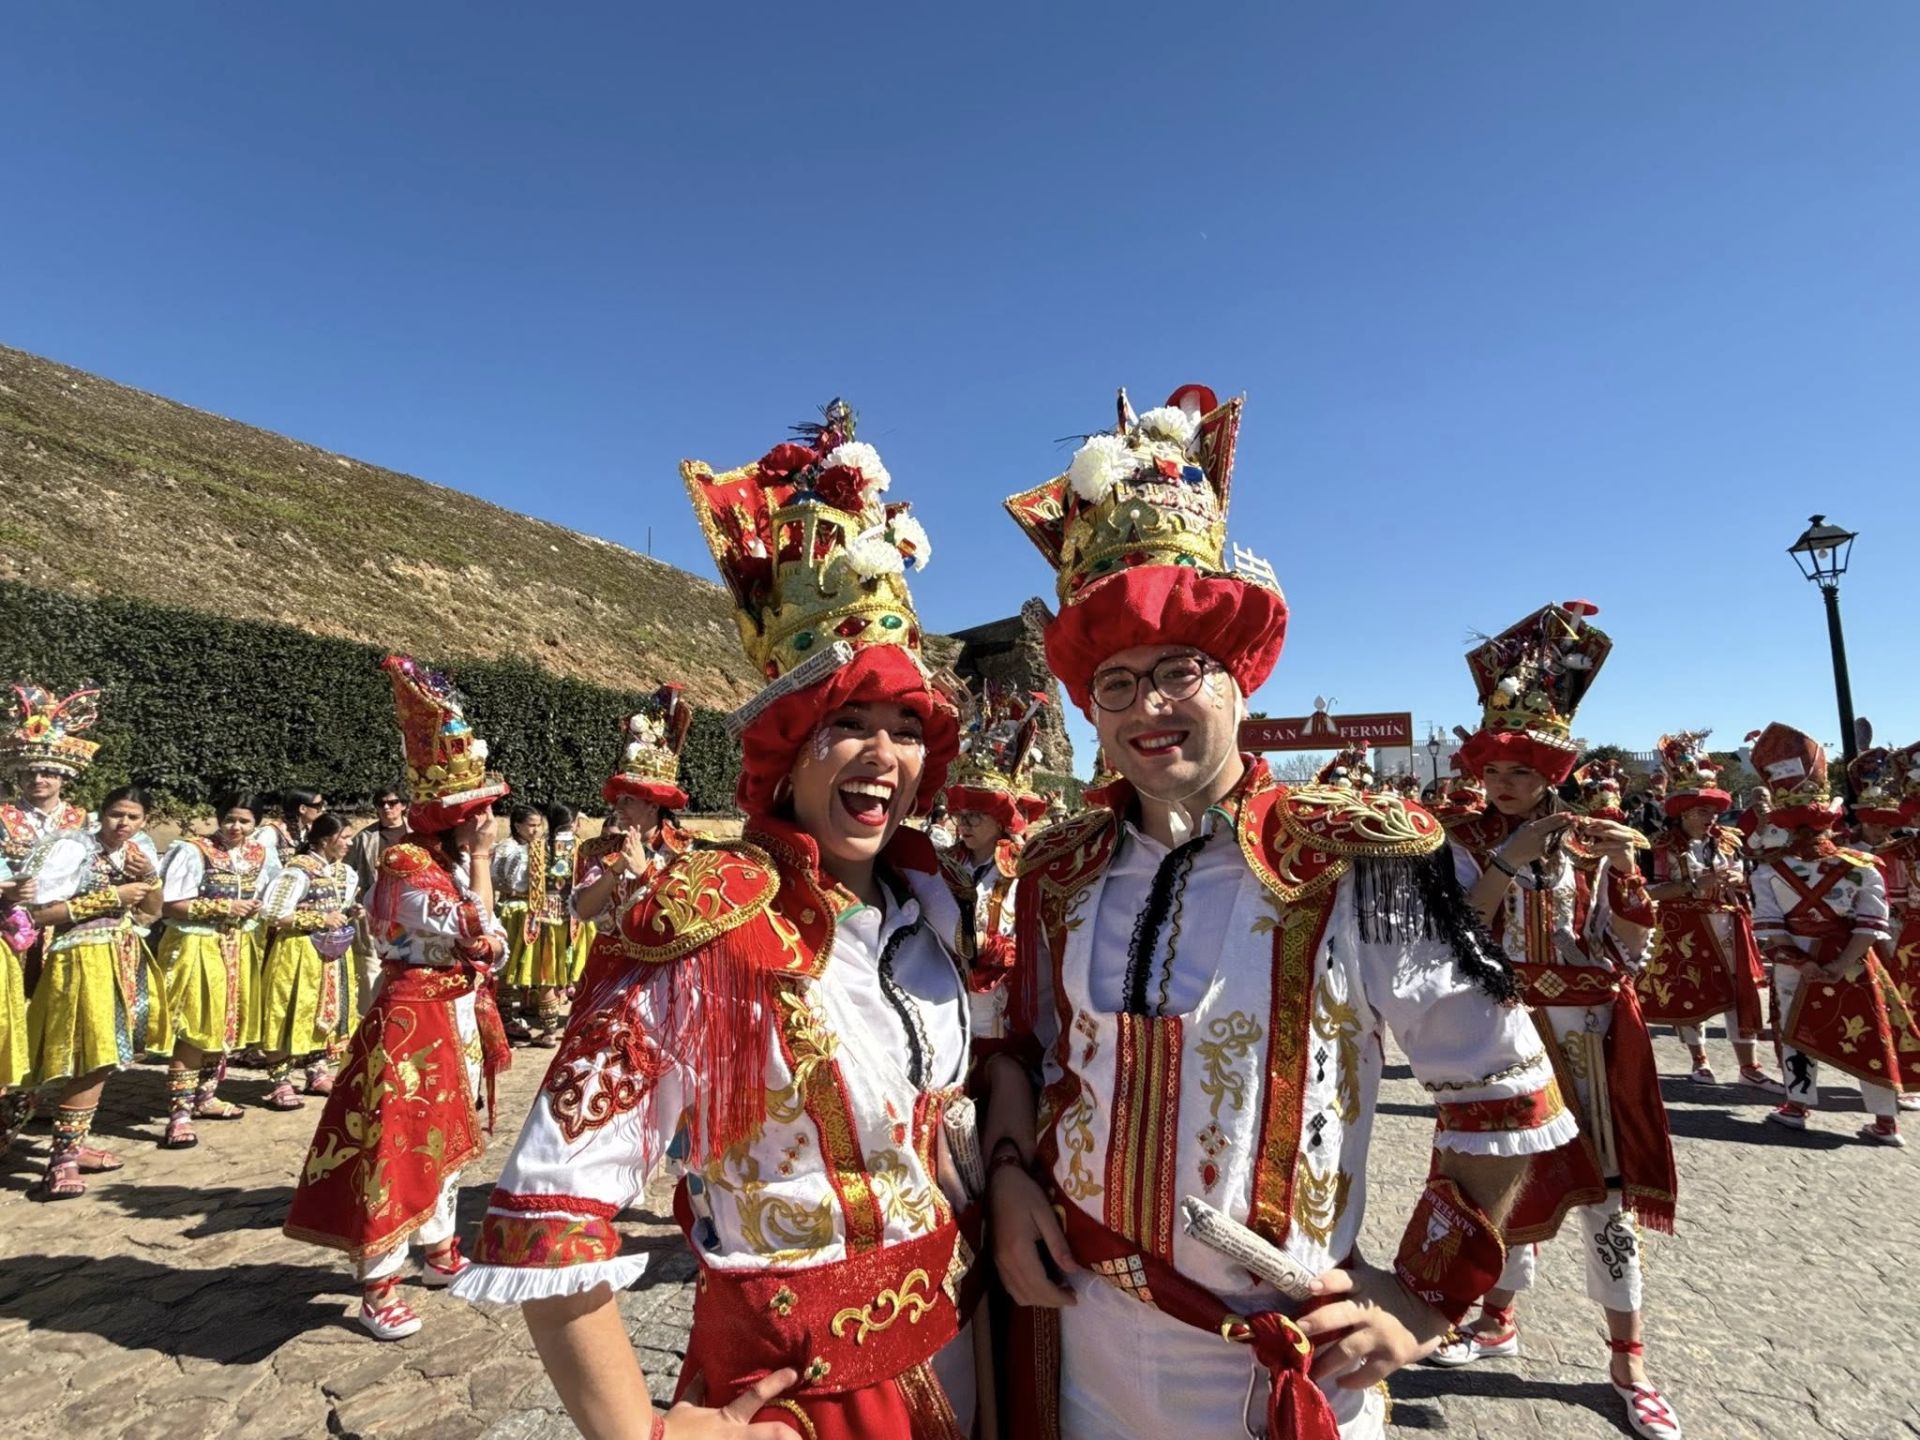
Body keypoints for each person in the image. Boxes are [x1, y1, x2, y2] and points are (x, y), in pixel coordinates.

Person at [994, 386, 1575, 1440]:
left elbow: (1505, 1086)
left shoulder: (1358, 858)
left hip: (1279, 1365)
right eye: (1116, 684)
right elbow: (1020, 1052)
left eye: (1180, 672)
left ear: (1240, 679)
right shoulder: (1059, 870)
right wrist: (1005, 1179)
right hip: (1081, 1345)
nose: (1149, 708)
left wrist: (1427, 1296)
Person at [455, 402, 981, 1438]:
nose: (884, 752)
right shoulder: (708, 928)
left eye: (905, 729)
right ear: (787, 756)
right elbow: (545, 1208)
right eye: (848, 725)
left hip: (967, 1357)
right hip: (794, 1398)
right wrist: (641, 1435)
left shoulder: (931, 912)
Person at [1433, 602, 1681, 1440]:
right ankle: (1499, 1320)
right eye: (1496, 769)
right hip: (1506, 1032)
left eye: (1523, 772)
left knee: (1605, 1200)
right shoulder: (1463, 838)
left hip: (1587, 1034)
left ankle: (1628, 1360)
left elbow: (1622, 948)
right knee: (1504, 1183)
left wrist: (1622, 872)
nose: (1505, 785)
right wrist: (1516, 848)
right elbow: (1463, 923)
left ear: (1552, 772)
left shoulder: (1587, 842)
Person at [284, 654, 513, 1339]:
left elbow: (492, 944)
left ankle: (440, 1249)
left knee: (449, 1135)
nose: (487, 824)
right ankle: (378, 1280)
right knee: (397, 1143)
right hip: (414, 1018)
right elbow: (478, 932)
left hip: (455, 1010)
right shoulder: (407, 861)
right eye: (479, 815)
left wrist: (480, 904)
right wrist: (478, 865)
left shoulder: (438, 861)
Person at [1745, 724, 1916, 1145]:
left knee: (1794, 1029)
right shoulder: (1862, 865)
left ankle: (1797, 1105)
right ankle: (1884, 1121)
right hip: (1852, 960)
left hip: (1794, 961)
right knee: (1869, 1033)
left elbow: (1769, 928)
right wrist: (1838, 965)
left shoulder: (1769, 871)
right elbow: (1870, 926)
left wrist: (1806, 963)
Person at [22, 785, 171, 1198]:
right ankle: (61, 1160)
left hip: (123, 956)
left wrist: (147, 878)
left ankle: (72, 1146)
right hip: (81, 957)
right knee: (88, 1052)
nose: (123, 824)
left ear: (144, 822)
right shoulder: (74, 848)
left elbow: (152, 910)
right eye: (116, 815)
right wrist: (110, 896)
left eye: (133, 818)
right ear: (100, 814)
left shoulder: (136, 852)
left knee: (107, 1056)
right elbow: (40, 912)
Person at [1635, 734, 1779, 1090]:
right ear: (1682, 812)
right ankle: (1699, 1061)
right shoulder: (1659, 847)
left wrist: (1739, 879)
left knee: (1739, 993)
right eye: (1702, 811)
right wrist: (1694, 885)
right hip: (1684, 927)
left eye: (1713, 810)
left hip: (1730, 922)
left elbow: (1751, 875)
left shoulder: (1729, 840)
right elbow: (1646, 892)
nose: (1710, 817)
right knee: (1690, 993)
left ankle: (1749, 1066)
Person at [0, 682, 100, 1148]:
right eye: (30, 772)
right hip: (9, 934)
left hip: (64, 933)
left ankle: (40, 1101)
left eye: (47, 772)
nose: (37, 780)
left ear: (63, 777)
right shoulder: (2, 818)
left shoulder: (84, 822)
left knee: (55, 1020)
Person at [158, 790, 273, 1147]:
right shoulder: (193, 850)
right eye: (231, 819)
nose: (236, 827)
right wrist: (223, 908)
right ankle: (178, 1113)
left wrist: (256, 909)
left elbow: (271, 893)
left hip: (239, 946)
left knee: (225, 1023)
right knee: (195, 1025)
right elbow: (171, 903)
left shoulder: (259, 853)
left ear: (257, 824)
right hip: (199, 945)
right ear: (219, 817)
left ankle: (205, 1095)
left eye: (245, 821)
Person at [567, 688, 693, 997]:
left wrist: (644, 872)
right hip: (609, 971)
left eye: (628, 801)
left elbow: (689, 918)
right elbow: (582, 912)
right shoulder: (600, 850)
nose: (617, 808)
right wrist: (616, 870)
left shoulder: (686, 849)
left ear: (653, 804)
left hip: (665, 974)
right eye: (617, 800)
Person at [942, 685, 1046, 1054]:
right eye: (961, 815)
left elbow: (1037, 946)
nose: (964, 824)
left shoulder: (1023, 869)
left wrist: (993, 948)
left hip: (994, 1005)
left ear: (1000, 820)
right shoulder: (947, 862)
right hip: (941, 992)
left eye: (975, 816)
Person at [257, 812, 360, 1108]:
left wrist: (351, 913)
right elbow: (273, 913)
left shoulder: (342, 872)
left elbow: (340, 906)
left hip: (330, 952)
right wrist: (319, 918)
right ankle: (280, 1081)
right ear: (327, 840)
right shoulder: (298, 871)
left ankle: (317, 1071)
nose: (349, 843)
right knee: (289, 1009)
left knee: (327, 1009)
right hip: (298, 950)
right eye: (346, 837)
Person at [345, 785, 410, 1016]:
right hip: (374, 914)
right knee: (371, 964)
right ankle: (369, 1021)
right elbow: (347, 872)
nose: (386, 808)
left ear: (403, 805)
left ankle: (401, 1015)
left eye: (392, 803)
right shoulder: (365, 838)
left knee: (406, 962)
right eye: (381, 804)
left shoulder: (417, 836)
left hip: (408, 914)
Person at [492, 804, 547, 1043]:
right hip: (513, 910)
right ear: (517, 826)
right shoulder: (506, 849)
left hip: (536, 911)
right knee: (509, 965)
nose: (536, 830)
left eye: (539, 825)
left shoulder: (543, 847)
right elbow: (496, 879)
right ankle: (506, 1019)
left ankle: (532, 1006)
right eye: (531, 825)